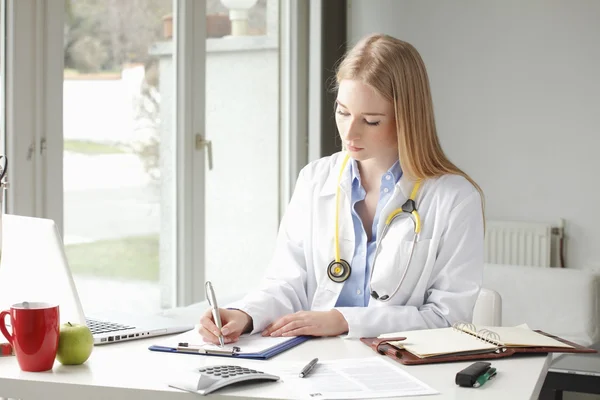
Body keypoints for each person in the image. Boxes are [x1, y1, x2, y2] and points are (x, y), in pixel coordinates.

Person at [199, 33, 484, 343]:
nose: (350, 132)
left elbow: (449, 318)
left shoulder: (454, 198)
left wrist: (344, 320)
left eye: (371, 121)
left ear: (407, 118)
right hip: (314, 361)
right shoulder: (314, 180)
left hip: (400, 366)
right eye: (343, 112)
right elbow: (286, 283)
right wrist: (245, 315)